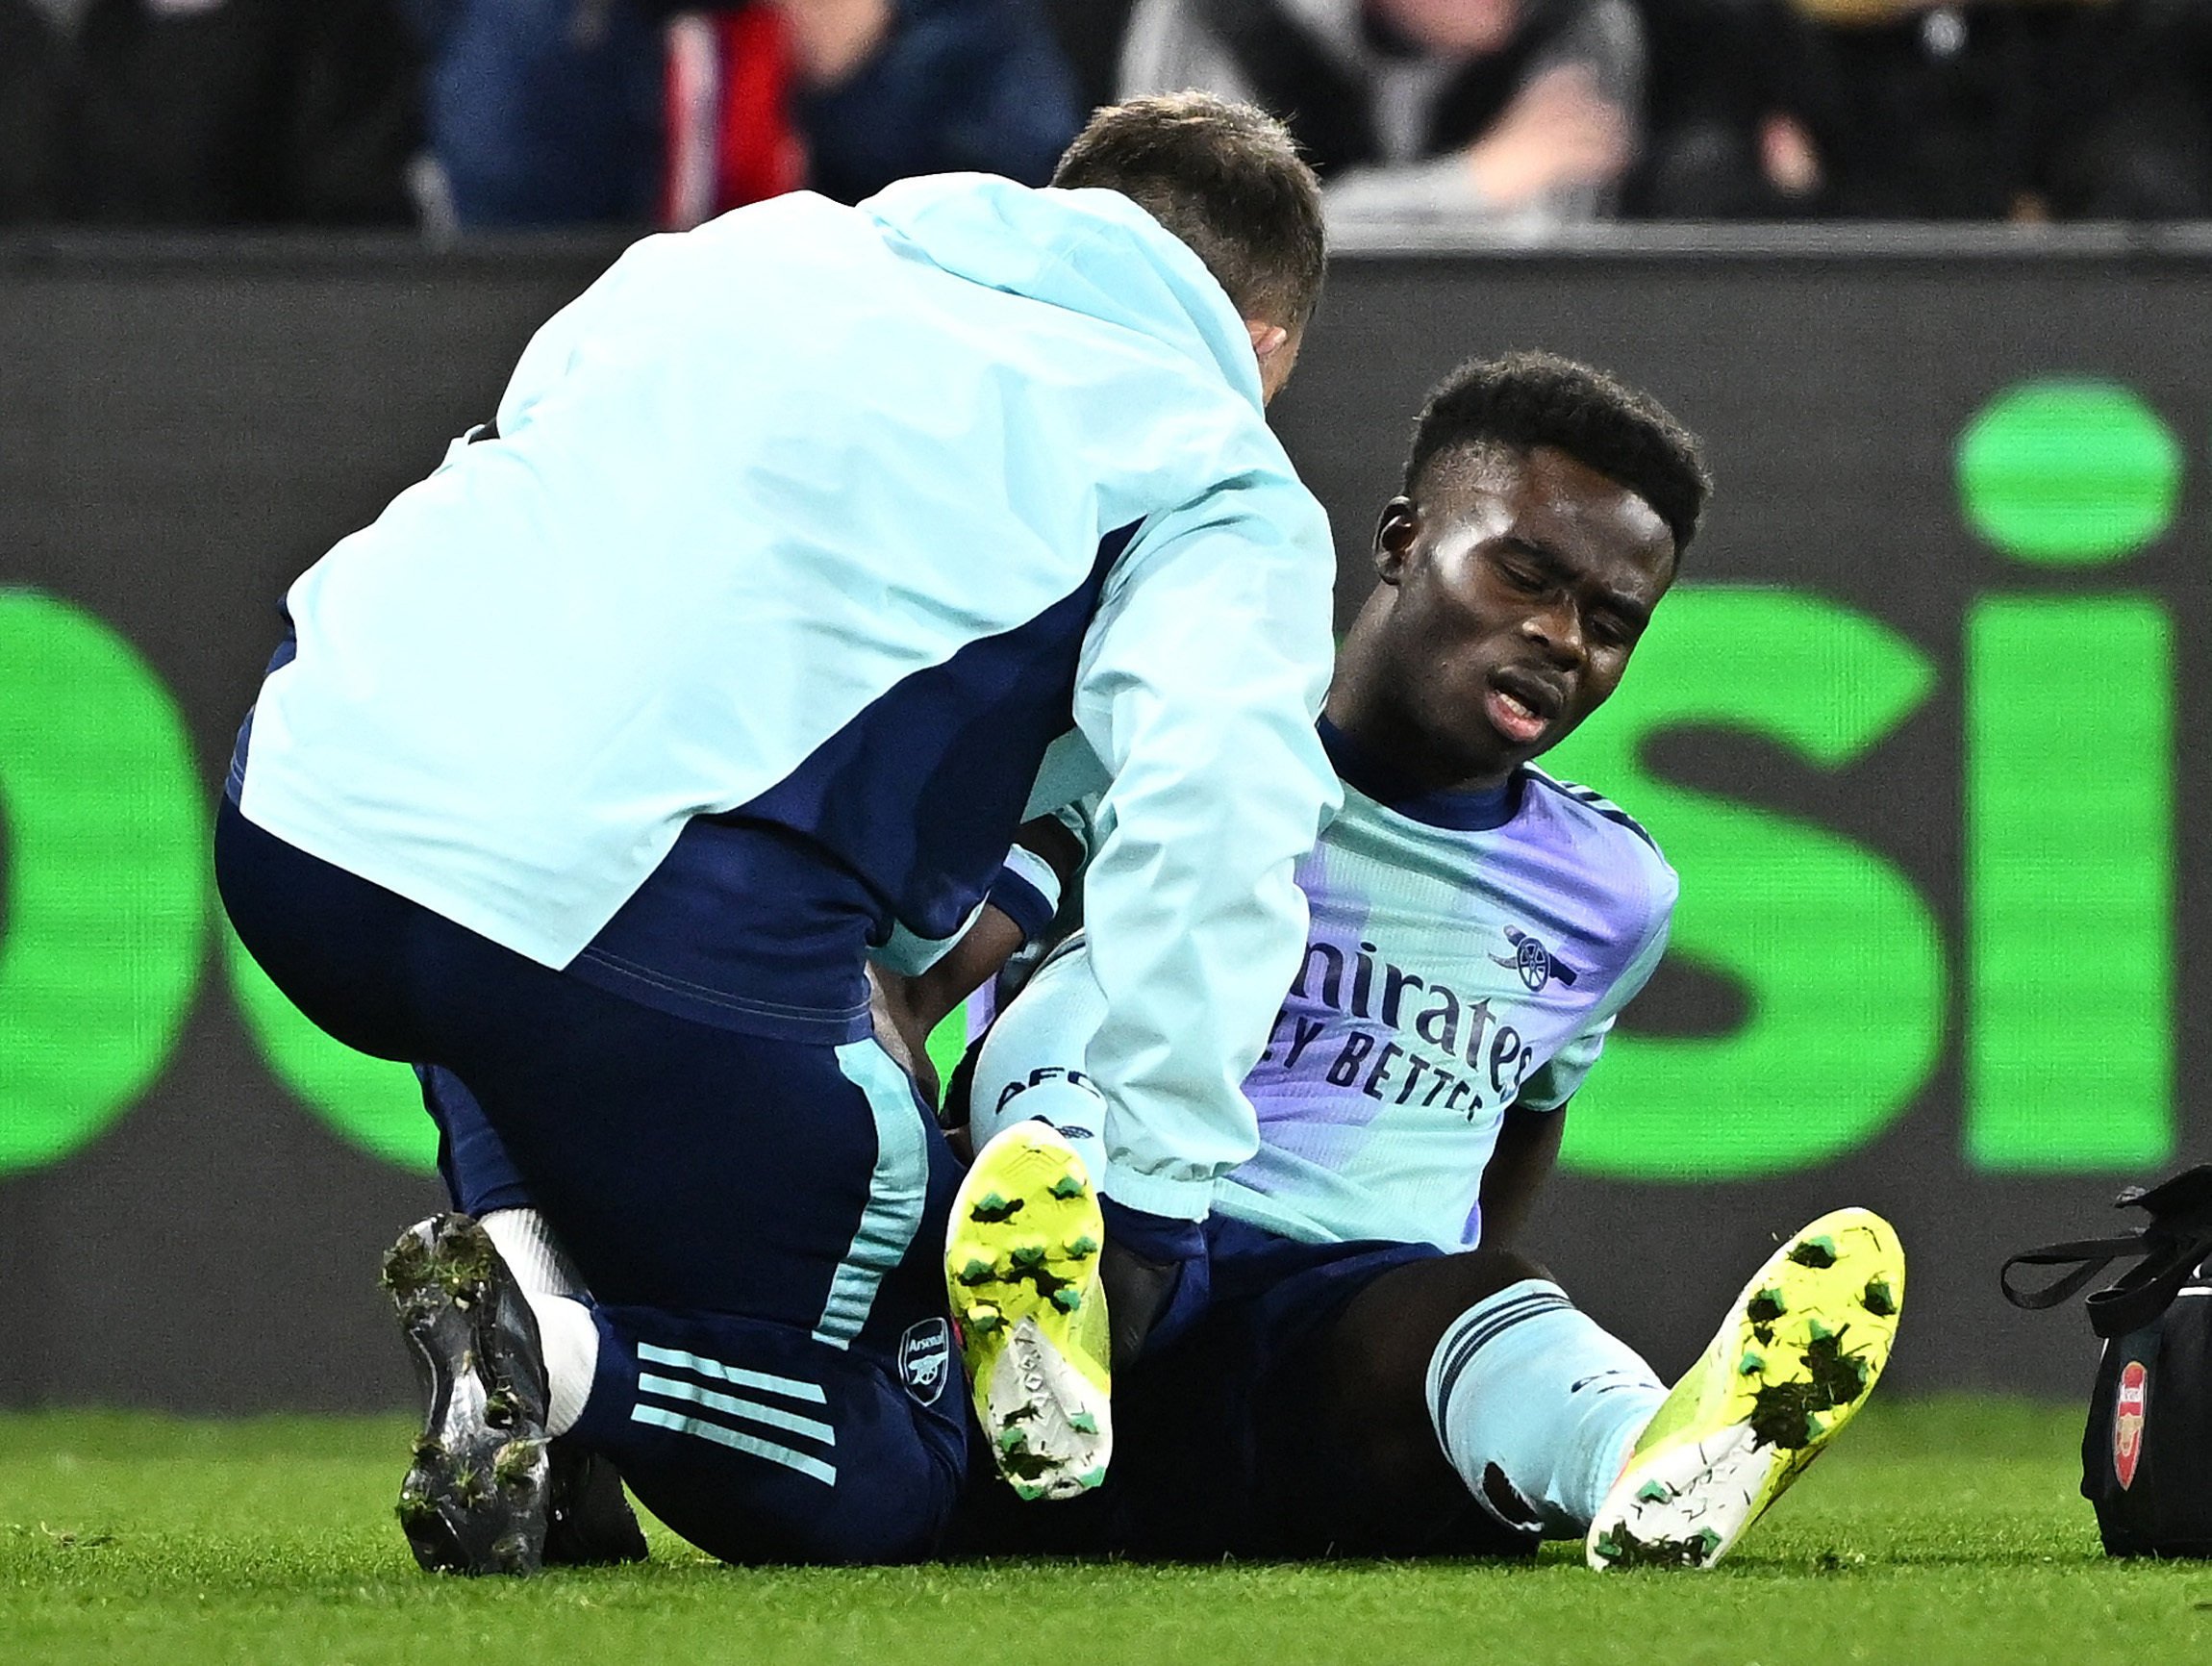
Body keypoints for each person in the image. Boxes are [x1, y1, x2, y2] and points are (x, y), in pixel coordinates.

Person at [215, 92, 1342, 1573]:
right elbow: (1216, 825)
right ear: (1268, 347)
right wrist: (1149, 1198)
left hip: (298, 808)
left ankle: (527, 1281)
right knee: (921, 1429)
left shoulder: (750, 252)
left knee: (516, 924)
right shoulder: (1215, 465)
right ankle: (558, 1370)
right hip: (606, 936)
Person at [913, 351, 1905, 1563]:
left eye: (1610, 624)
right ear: (1399, 541)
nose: (1559, 638)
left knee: (1485, 1305)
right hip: (1119, 1277)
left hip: (1328, 1368)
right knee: (1094, 989)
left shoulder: (1611, 889)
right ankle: (1037, 1311)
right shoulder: (1182, 749)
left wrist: (1460, 1269)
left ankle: (1650, 1460)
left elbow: (1529, 1108)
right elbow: (921, 992)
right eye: (1525, 574)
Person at [1119, 0, 1645, 226]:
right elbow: (1199, 252)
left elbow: (1558, 271)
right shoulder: (1216, 17)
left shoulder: (1574, 23)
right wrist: (1474, 184)